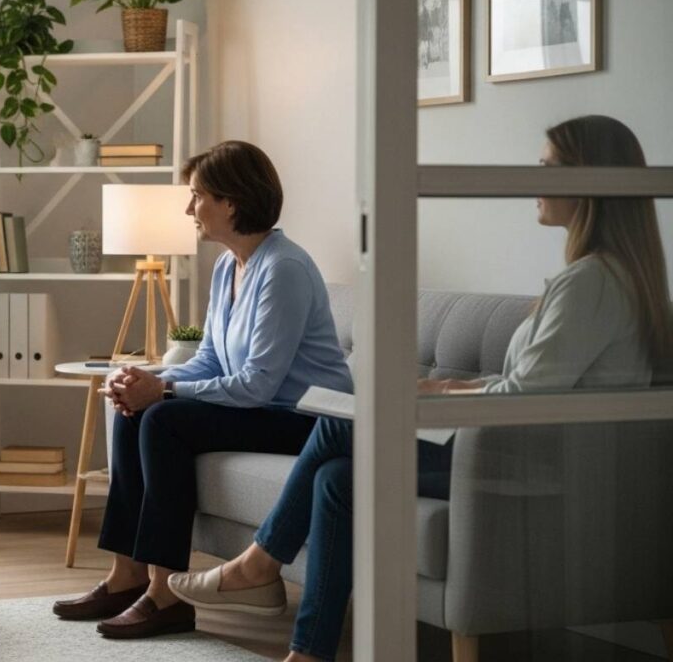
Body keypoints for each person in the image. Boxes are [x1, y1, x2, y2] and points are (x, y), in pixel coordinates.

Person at [168, 115, 673, 662]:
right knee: (339, 477)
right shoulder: (603, 275)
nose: (534, 179)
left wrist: (446, 397)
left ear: (590, 182)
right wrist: (452, 383)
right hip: (522, 447)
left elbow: (528, 401)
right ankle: (308, 652)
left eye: (548, 167)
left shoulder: (591, 282)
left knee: (341, 425)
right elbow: (534, 383)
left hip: (525, 460)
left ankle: (259, 563)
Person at [51, 141, 354, 639]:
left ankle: (165, 592)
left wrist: (164, 391)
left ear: (230, 202)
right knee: (136, 410)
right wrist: (146, 381)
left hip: (305, 420)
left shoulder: (284, 269)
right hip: (262, 410)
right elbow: (211, 358)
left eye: (197, 196)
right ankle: (126, 575)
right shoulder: (228, 266)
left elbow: (257, 385)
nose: (189, 209)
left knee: (164, 418)